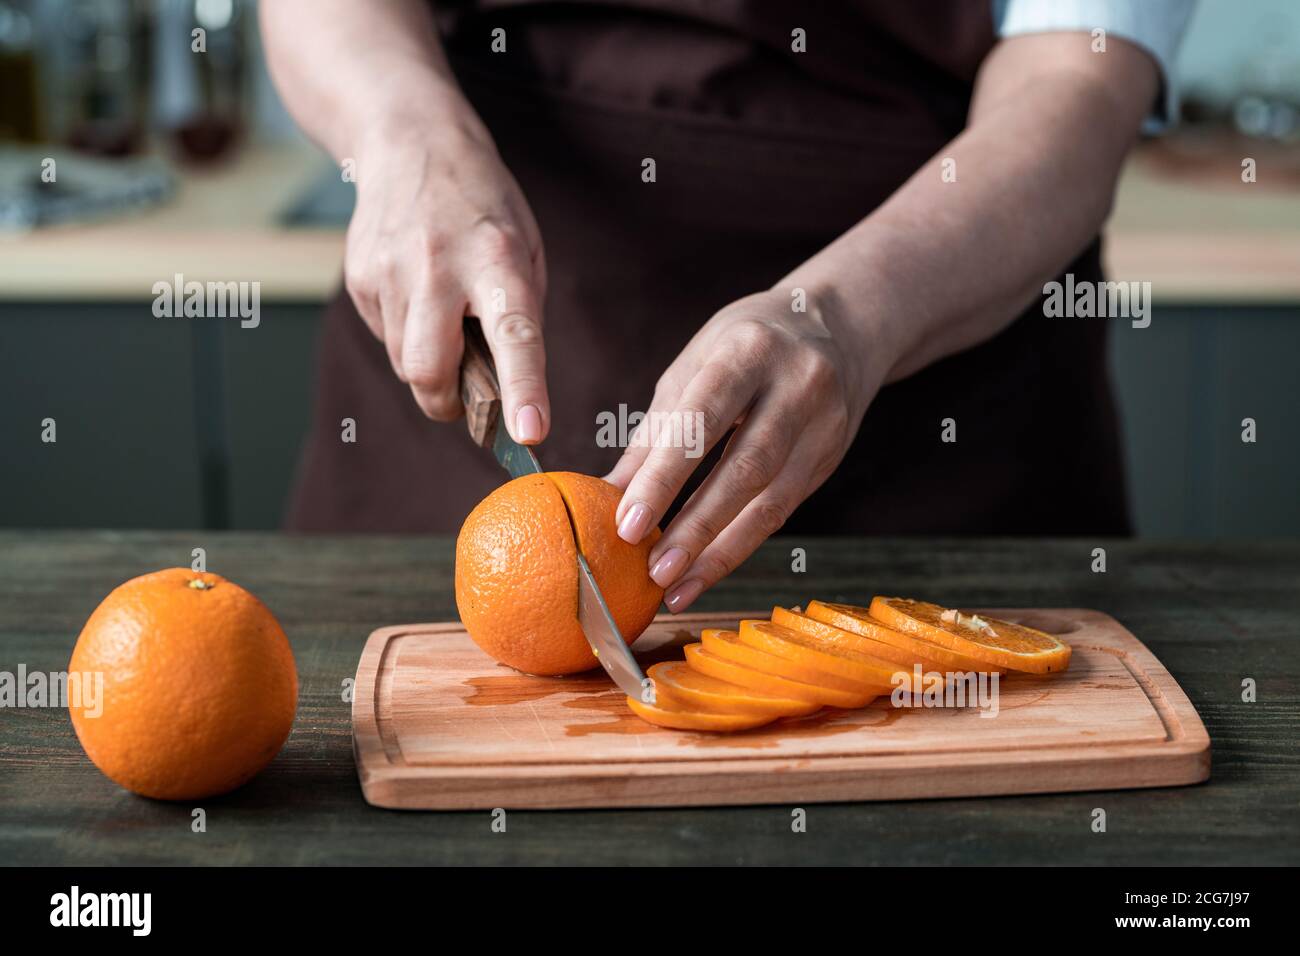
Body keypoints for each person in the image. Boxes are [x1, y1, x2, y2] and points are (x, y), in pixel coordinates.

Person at [262, 0, 1195, 612]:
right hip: (441, 415)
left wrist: (847, 316)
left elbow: (1078, 79)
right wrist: (403, 132)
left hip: (937, 433)